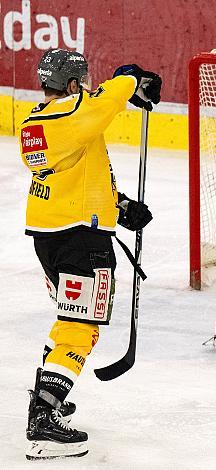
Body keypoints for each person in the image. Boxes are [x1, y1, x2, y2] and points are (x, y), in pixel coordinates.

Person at [19, 48, 161, 460]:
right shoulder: (73, 114)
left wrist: (120, 206)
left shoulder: (36, 123)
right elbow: (104, 102)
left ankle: (47, 398)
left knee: (69, 321)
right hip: (82, 241)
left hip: (49, 235)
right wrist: (131, 78)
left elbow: (80, 173)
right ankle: (43, 419)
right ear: (73, 84)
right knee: (83, 328)